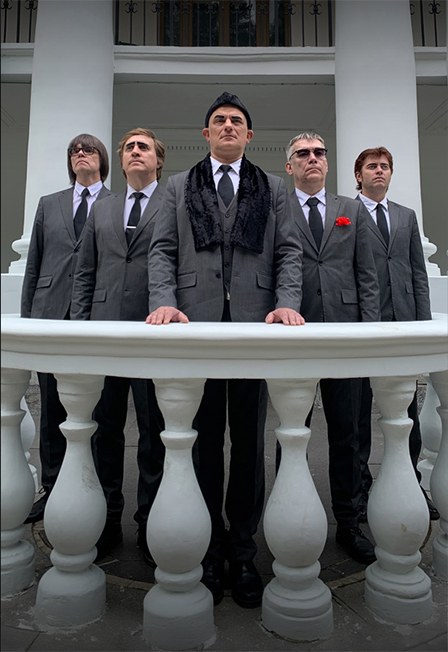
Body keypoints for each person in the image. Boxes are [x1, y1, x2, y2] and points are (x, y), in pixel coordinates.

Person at [146, 91, 304, 608]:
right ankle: (211, 548)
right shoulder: (177, 185)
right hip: (197, 325)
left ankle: (243, 550)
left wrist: (286, 303)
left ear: (249, 135)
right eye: (220, 120)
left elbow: (288, 251)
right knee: (205, 440)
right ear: (207, 133)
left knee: (250, 444)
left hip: (256, 327)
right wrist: (165, 301)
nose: (228, 126)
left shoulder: (273, 187)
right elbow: (163, 249)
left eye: (237, 121)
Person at [71, 128, 167, 561]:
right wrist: (80, 326)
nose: (134, 152)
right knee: (104, 429)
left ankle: (149, 522)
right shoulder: (103, 207)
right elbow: (85, 271)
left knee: (154, 432)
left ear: (158, 160)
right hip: (104, 332)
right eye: (128, 147)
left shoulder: (173, 203)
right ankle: (108, 519)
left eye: (143, 147)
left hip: (153, 333)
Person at [285, 132, 380, 565]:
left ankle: (349, 523)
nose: (313, 158)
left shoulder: (350, 210)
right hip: (295, 333)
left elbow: (367, 274)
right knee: (292, 432)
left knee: (347, 434)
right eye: (303, 154)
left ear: (327, 162)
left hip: (346, 334)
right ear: (290, 165)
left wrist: (369, 332)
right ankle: (290, 517)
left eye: (319, 152)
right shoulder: (278, 208)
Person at [21, 134, 111, 524]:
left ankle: (97, 490)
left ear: (102, 160)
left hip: (95, 316)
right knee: (51, 407)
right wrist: (28, 318)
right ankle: (53, 488)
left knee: (101, 408)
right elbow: (34, 263)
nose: (80, 154)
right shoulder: (49, 204)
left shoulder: (116, 203)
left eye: (87, 150)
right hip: (50, 314)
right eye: (74, 151)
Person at [354, 146, 439, 521]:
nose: (379, 171)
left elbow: (418, 272)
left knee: (408, 412)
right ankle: (359, 488)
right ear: (359, 175)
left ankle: (412, 484)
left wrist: (422, 322)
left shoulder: (406, 216)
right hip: (362, 323)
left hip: (403, 321)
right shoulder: (347, 213)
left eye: (385, 166)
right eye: (372, 166)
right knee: (358, 413)